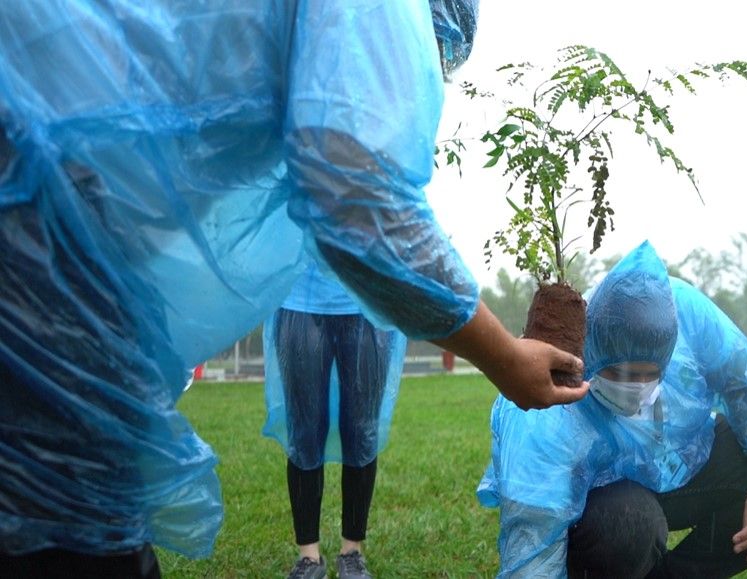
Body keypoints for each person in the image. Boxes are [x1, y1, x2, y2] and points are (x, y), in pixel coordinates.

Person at [0, 1, 585, 576]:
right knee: (65, 515)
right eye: (430, 63)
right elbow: (357, 199)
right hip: (32, 175)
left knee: (59, 503)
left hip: (48, 168)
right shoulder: (381, 13)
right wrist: (504, 357)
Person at [477, 241, 747, 578]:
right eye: (621, 373)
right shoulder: (549, 407)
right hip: (607, 499)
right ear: (592, 352)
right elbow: (534, 525)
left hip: (684, 456)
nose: (637, 389)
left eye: (650, 375)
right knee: (633, 524)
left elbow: (746, 381)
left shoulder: (685, 311)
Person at [262, 263, 407, 579]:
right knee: (304, 430)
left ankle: (351, 552)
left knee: (361, 429)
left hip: (369, 300)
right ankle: (308, 558)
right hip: (298, 298)